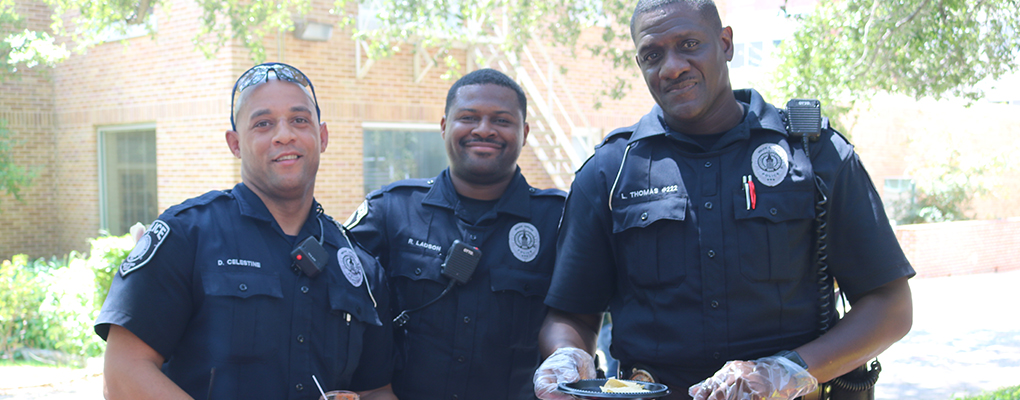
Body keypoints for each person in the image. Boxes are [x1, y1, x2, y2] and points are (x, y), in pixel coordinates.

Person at [533, 1, 915, 399]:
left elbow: (889, 304)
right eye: (652, 54)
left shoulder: (815, 155)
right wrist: (566, 355)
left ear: (726, 43)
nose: (672, 66)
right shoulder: (609, 171)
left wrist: (787, 371)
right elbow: (571, 311)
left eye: (689, 44)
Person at [95, 62, 397, 400]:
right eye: (263, 123)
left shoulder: (360, 267)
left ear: (322, 137)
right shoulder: (186, 234)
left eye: (299, 120)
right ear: (235, 144)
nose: (285, 134)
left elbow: (376, 391)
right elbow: (123, 373)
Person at [345, 68, 566, 400]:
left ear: (525, 133)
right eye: (469, 117)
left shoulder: (559, 219)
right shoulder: (390, 211)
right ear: (445, 126)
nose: (484, 129)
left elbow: (581, 315)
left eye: (502, 120)